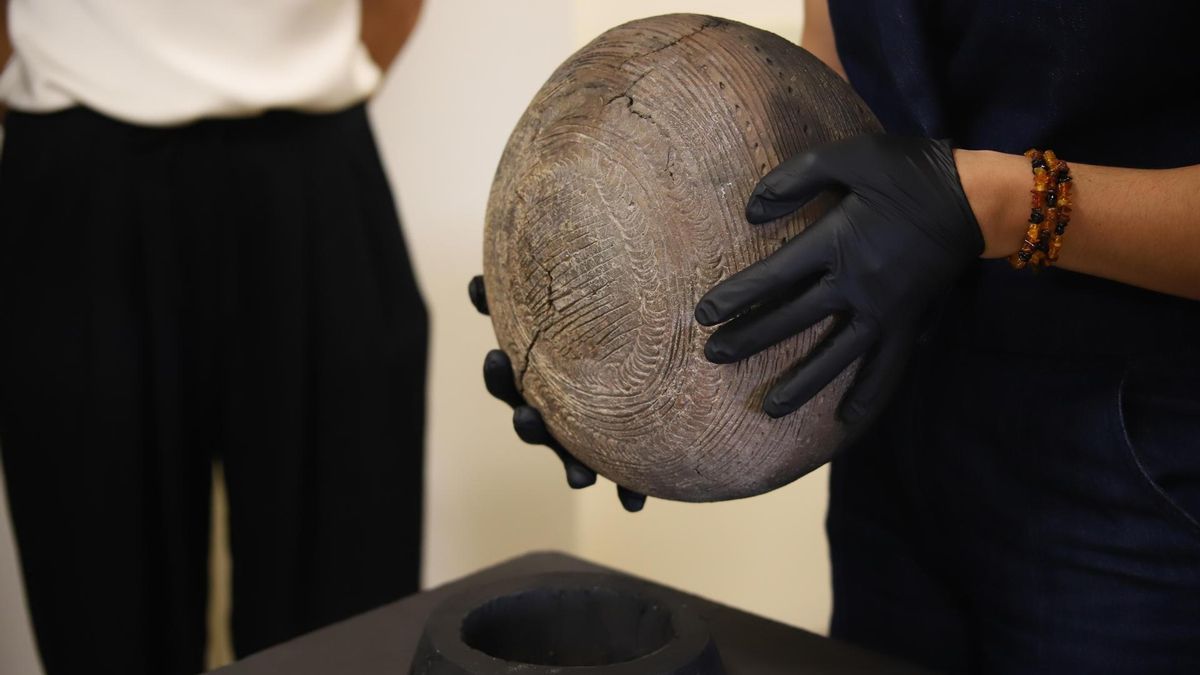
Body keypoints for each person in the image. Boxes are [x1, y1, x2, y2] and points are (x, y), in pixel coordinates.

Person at [474, 1, 1200, 672]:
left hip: (1138, 461)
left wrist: (1011, 205)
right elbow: (835, 75)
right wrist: (631, 357)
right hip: (892, 426)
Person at [0, 2, 427, 674]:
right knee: (103, 626)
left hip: (316, 162)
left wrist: (320, 73)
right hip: (81, 169)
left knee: (346, 639)